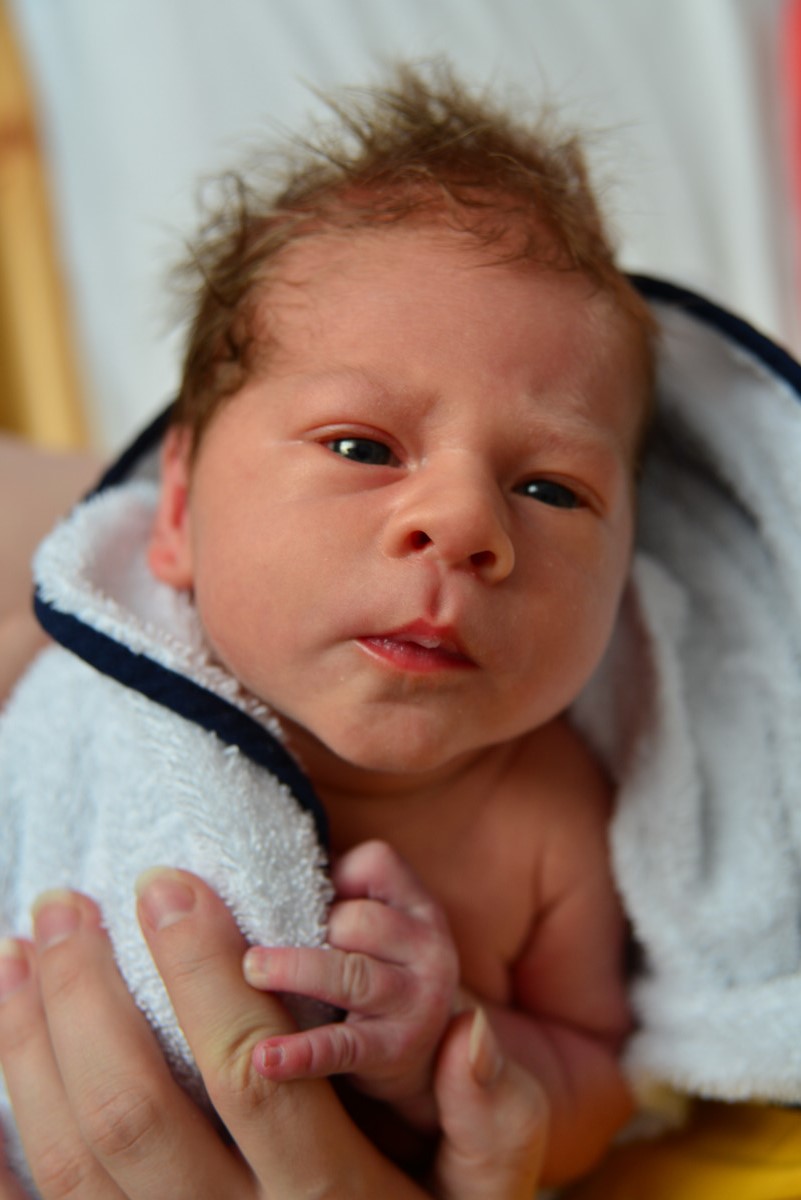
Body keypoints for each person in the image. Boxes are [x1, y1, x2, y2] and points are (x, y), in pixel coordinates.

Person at [0, 62, 655, 1190]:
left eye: (551, 489)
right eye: (362, 447)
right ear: (177, 510)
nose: (464, 524)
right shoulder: (72, 697)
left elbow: (596, 1065)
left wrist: (472, 1063)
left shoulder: (552, 819)